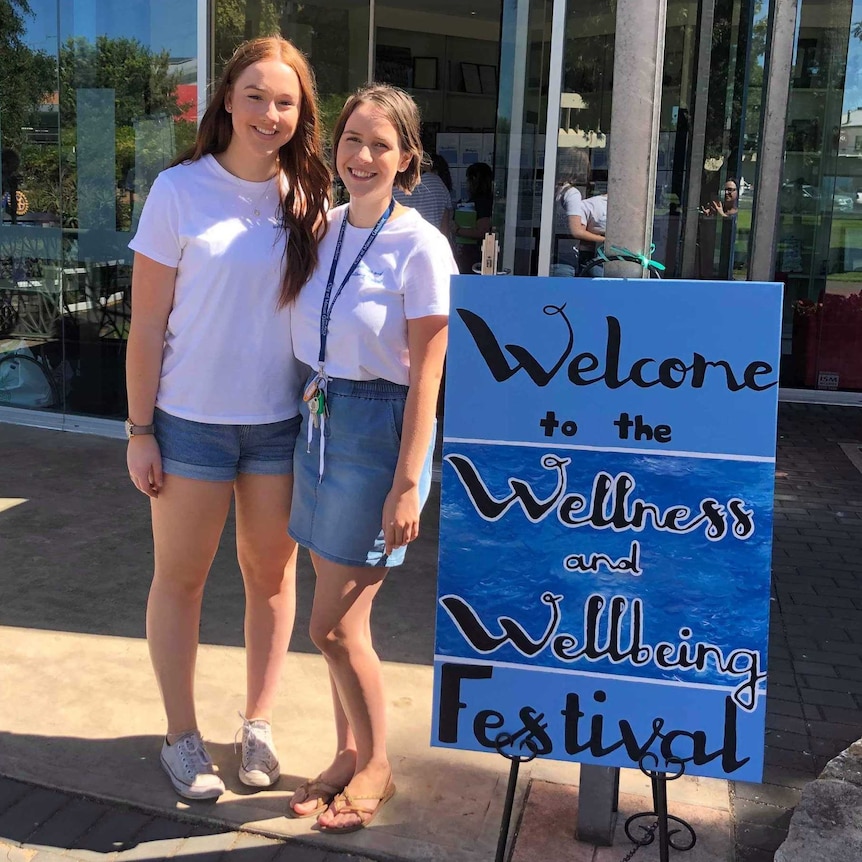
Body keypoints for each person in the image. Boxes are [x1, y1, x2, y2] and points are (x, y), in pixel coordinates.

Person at [125, 36, 330, 800]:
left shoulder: (310, 199)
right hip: (188, 425)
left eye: (285, 101)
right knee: (179, 579)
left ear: (301, 112)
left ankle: (258, 725)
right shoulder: (179, 190)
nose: (269, 113)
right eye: (255, 95)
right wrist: (139, 430)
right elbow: (146, 325)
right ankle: (180, 738)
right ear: (226, 99)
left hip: (279, 425)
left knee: (271, 579)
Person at [288, 84, 456, 832]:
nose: (361, 156)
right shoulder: (323, 228)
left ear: (407, 158)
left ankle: (378, 763)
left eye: (379, 145)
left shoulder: (421, 244)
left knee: (332, 625)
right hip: (320, 421)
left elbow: (429, 377)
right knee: (340, 624)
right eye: (352, 139)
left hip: (379, 432)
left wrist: (407, 486)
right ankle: (347, 752)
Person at [551, 150, 589, 276]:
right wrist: (605, 239)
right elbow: (576, 231)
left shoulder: (557, 189)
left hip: (555, 254)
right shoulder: (572, 194)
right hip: (566, 257)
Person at [392, 160, 452, 236]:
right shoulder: (437, 183)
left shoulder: (390, 187)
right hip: (433, 243)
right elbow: (445, 226)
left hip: (400, 244)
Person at [453, 161, 493, 273]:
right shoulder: (484, 200)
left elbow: (482, 231)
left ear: (474, 179)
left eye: (468, 180)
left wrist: (457, 230)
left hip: (475, 256)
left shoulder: (482, 202)